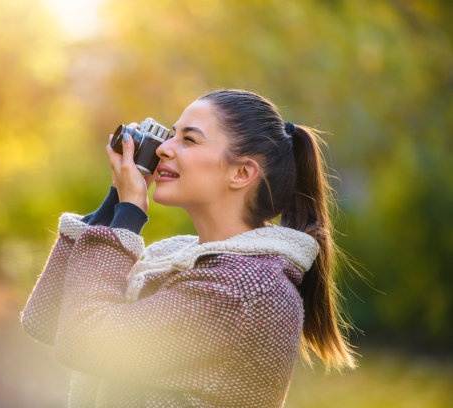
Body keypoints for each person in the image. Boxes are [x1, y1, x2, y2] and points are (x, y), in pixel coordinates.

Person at [21, 89, 356, 407]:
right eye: (171, 134)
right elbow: (47, 319)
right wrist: (116, 201)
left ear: (241, 173)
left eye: (189, 139)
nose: (165, 148)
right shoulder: (176, 261)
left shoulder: (247, 288)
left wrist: (131, 212)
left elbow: (84, 340)